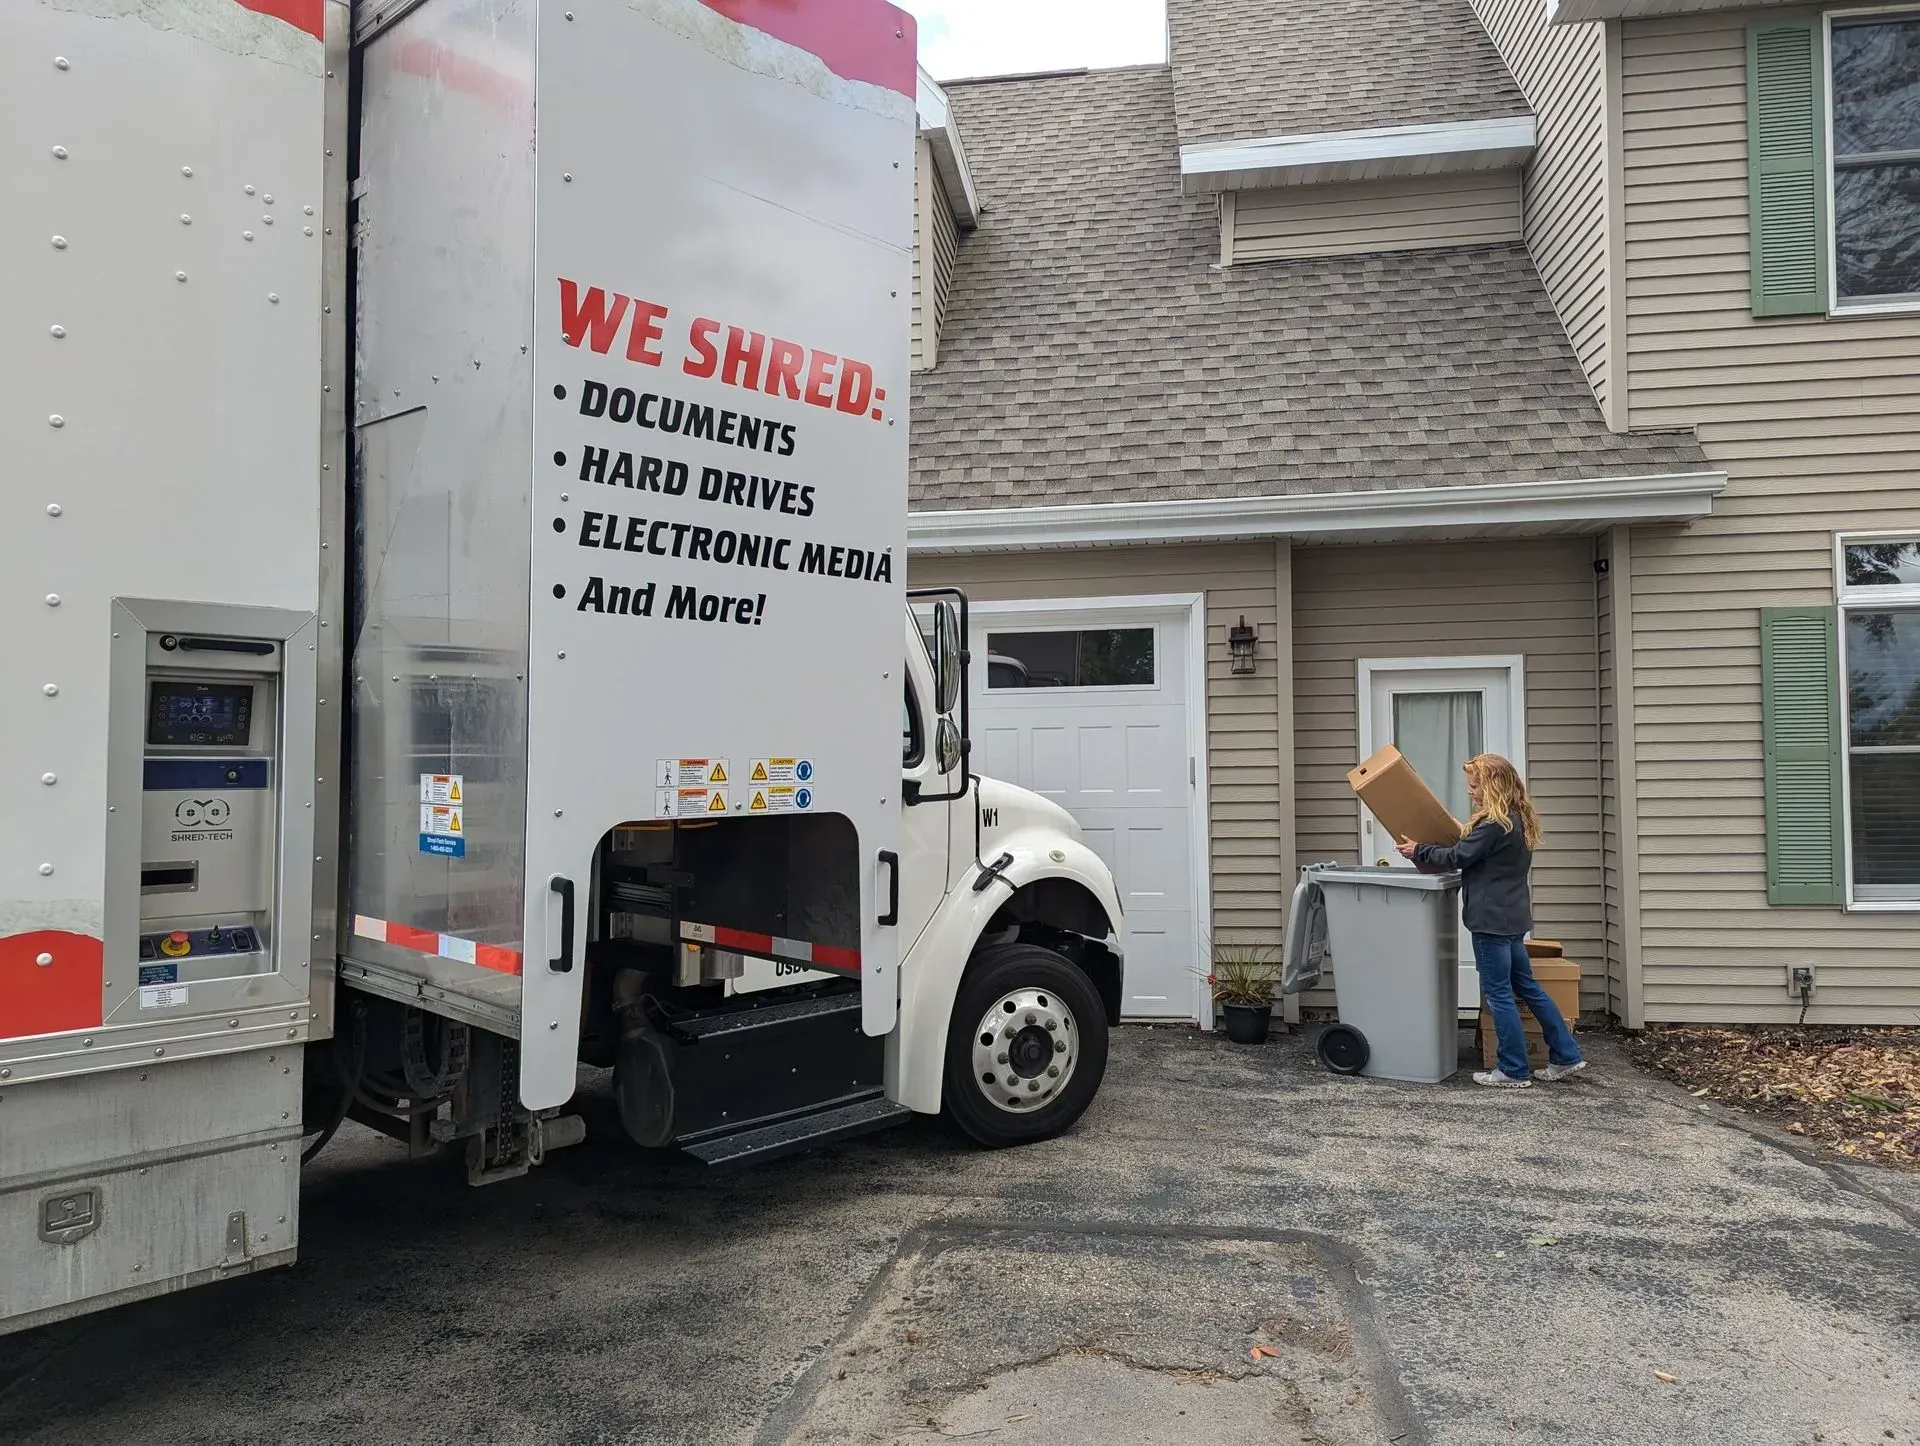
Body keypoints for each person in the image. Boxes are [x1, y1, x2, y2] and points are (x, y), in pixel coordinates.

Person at [1394, 753, 1586, 1089]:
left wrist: (1419, 851)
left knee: (1498, 994)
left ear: (1493, 786)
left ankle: (1512, 1069)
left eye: (1475, 785)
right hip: (1512, 919)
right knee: (1527, 988)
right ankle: (1566, 1055)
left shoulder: (1494, 824)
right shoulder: (1517, 819)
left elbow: (1458, 856)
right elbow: (1473, 850)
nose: (1471, 792)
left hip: (1490, 921)